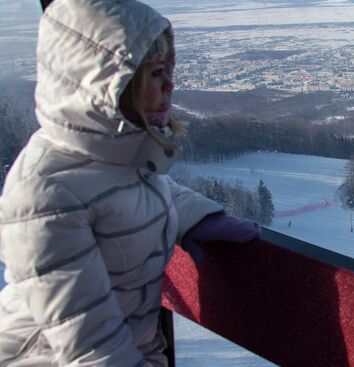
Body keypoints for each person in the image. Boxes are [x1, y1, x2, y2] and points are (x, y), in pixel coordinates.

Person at [0, 1, 259, 365]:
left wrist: (197, 216)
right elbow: (90, 349)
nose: (170, 84)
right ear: (108, 87)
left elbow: (132, 192)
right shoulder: (45, 195)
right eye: (155, 73)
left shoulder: (112, 155)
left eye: (168, 69)